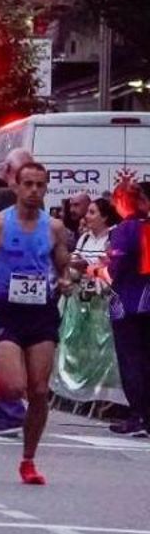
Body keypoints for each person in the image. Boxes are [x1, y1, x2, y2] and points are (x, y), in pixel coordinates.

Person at [0, 161, 71, 485]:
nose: (34, 191)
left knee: (39, 391)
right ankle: (1, 377)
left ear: (46, 188)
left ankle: (28, 459)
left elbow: (63, 268)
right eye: (28, 184)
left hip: (41, 313)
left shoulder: (53, 228)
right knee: (13, 388)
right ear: (17, 187)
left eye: (40, 185)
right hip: (7, 311)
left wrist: (66, 280)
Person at [106, 179, 150, 436]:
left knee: (132, 360)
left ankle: (139, 415)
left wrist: (96, 269)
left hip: (130, 303)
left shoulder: (127, 229)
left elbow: (115, 270)